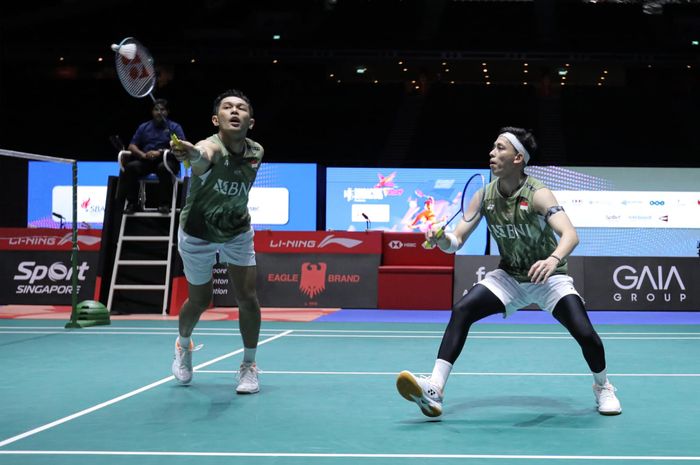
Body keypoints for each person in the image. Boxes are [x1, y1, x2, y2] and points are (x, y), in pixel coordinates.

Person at [396, 126, 622, 418]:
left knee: (585, 334)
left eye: (501, 148)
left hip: (548, 278)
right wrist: (442, 239)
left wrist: (553, 260)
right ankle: (434, 389)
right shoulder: (484, 196)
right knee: (462, 309)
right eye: (493, 147)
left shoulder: (538, 194)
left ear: (519, 158)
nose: (492, 153)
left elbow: (570, 235)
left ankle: (603, 387)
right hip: (510, 278)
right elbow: (456, 241)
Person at [168, 89, 264, 394]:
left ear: (251, 121)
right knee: (200, 300)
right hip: (198, 232)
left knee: (247, 297)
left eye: (241, 108)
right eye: (227, 107)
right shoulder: (208, 146)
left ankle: (249, 365)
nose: (234, 111)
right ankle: (184, 345)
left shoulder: (256, 152)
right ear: (216, 119)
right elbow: (202, 157)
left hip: (236, 229)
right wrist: (192, 154)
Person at [117, 98, 186, 214]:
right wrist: (142, 155)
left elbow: (182, 146)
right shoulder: (144, 127)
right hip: (147, 161)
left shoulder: (174, 127)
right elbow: (132, 146)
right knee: (131, 167)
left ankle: (165, 204)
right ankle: (133, 204)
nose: (159, 112)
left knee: (163, 168)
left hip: (168, 160)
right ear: (152, 112)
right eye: (156, 110)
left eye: (162, 110)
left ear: (167, 112)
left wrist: (161, 152)